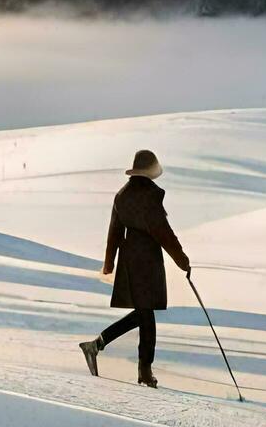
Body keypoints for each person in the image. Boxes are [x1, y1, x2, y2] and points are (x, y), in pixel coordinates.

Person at [80, 149, 189, 388]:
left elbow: (115, 232)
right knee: (146, 315)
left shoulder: (122, 195)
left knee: (143, 314)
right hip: (147, 259)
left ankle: (97, 345)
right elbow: (163, 233)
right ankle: (143, 371)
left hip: (131, 259)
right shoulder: (149, 196)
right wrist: (182, 260)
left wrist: (109, 264)